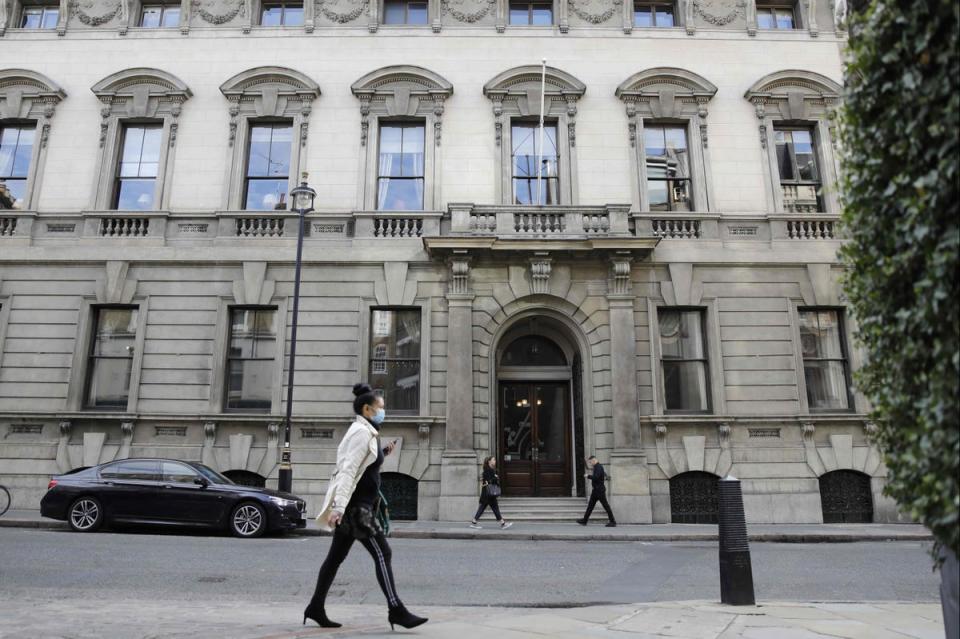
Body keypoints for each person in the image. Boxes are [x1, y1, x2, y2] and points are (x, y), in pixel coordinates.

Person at [305, 383, 428, 631]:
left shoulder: (367, 431)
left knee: (334, 559)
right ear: (367, 409)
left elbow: (363, 464)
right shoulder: (361, 432)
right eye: (381, 407)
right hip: (356, 510)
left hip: (356, 507)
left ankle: (315, 607)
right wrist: (338, 508)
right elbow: (348, 471)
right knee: (383, 553)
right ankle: (396, 610)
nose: (384, 411)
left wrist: (382, 453)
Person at [469, 456, 513, 530]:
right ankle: (503, 523)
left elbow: (486, 480)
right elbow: (490, 481)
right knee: (493, 507)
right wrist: (495, 477)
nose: (495, 461)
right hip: (489, 493)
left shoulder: (487, 470)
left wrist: (494, 477)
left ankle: (474, 522)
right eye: (494, 460)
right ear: (489, 461)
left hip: (487, 493)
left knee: (485, 507)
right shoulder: (489, 470)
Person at [577, 455, 616, 527]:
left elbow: (596, 478)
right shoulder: (598, 467)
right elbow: (602, 474)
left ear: (594, 460)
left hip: (599, 491)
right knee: (590, 506)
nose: (590, 464)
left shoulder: (598, 467)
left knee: (606, 506)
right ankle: (584, 520)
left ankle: (613, 521)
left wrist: (587, 476)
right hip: (596, 491)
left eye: (590, 462)